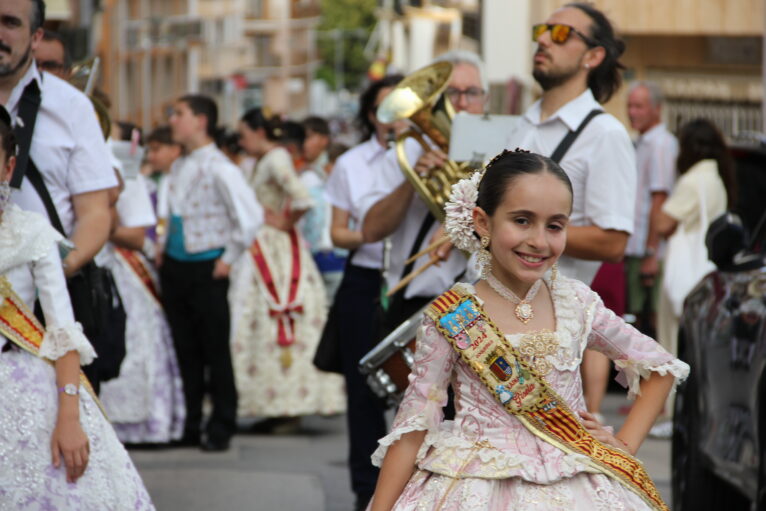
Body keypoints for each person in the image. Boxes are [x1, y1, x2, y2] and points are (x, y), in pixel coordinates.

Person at [368, 149, 688, 511]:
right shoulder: (453, 314)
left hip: (576, 477)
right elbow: (413, 428)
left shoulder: (577, 304)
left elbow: (660, 368)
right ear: (482, 222)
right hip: (472, 485)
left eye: (555, 226)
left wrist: (623, 447)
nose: (539, 240)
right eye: (522, 221)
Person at [0, 108, 154, 509]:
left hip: (20, 390)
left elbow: (62, 330)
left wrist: (68, 416)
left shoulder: (32, 233)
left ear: (8, 166)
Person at [506, 2, 637, 421]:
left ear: (592, 56)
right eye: (543, 30)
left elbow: (613, 241)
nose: (543, 39)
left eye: (561, 34)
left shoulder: (606, 135)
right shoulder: (521, 124)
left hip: (547, 334)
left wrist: (513, 229)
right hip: (494, 315)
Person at [230, 107, 345, 431]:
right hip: (268, 243)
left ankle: (287, 406)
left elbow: (304, 199)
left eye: (243, 135)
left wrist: (283, 221)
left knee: (275, 320)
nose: (241, 141)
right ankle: (276, 406)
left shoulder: (276, 159)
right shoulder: (269, 159)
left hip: (277, 245)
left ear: (259, 132)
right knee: (262, 324)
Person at [157, 94, 262, 451]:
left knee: (214, 348)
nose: (173, 120)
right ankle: (189, 423)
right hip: (175, 266)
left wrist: (228, 257)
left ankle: (221, 423)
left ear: (201, 120)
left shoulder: (221, 167)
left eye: (179, 114)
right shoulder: (179, 165)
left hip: (206, 266)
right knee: (184, 348)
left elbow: (250, 219)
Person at [361, 50, 488, 333]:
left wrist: (459, 219)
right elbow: (370, 231)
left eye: (472, 93)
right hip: (413, 307)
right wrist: (412, 181)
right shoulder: (402, 154)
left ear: (485, 100)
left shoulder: (501, 152)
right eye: (452, 93)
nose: (463, 104)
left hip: (482, 304)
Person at [323, 74, 404, 511]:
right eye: (385, 110)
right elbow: (336, 233)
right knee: (362, 390)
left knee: (424, 393)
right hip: (367, 278)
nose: (395, 120)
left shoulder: (435, 158)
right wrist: (371, 233)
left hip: (417, 283)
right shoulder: (351, 162)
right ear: (371, 115)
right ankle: (365, 491)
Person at [99, 128, 185, 445]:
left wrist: (98, 220)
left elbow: (137, 236)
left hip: (119, 269)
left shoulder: (126, 175)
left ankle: (140, 424)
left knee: (134, 345)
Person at [652, 118, 733, 438]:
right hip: (706, 272)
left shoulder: (693, 180)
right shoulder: (717, 178)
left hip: (682, 275)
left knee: (672, 342)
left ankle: (674, 414)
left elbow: (663, 223)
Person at [625, 81, 678, 336]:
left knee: (649, 322)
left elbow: (660, 198)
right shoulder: (643, 142)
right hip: (635, 245)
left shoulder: (660, 144)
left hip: (647, 249)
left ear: (657, 109)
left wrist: (651, 252)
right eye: (630, 106)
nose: (632, 112)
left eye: (639, 106)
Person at [299, 115, 346, 301]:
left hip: (337, 256)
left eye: (308, 137)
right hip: (313, 256)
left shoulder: (336, 167)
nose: (304, 144)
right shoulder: (305, 174)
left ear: (323, 140)